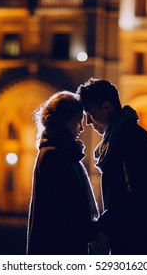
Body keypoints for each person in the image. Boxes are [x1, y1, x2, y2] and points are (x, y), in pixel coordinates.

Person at [76, 78, 147, 255]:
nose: (87, 121)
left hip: (139, 242)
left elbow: (135, 195)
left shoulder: (130, 138)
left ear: (107, 107)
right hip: (131, 239)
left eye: (90, 112)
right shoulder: (121, 137)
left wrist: (104, 226)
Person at [27, 91, 99, 255]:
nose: (81, 128)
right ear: (64, 122)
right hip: (58, 249)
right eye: (77, 121)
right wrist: (92, 231)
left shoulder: (61, 153)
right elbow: (66, 209)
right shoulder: (54, 155)